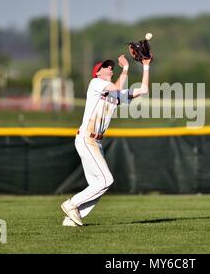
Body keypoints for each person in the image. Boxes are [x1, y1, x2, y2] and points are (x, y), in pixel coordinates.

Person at [61, 52, 152, 226]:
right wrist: (125, 68)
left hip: (96, 142)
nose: (110, 67)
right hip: (87, 139)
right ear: (98, 73)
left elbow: (143, 90)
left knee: (98, 185)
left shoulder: (115, 95)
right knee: (106, 180)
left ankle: (72, 219)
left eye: (111, 66)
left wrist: (146, 65)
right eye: (106, 66)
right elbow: (116, 88)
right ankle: (71, 204)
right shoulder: (95, 84)